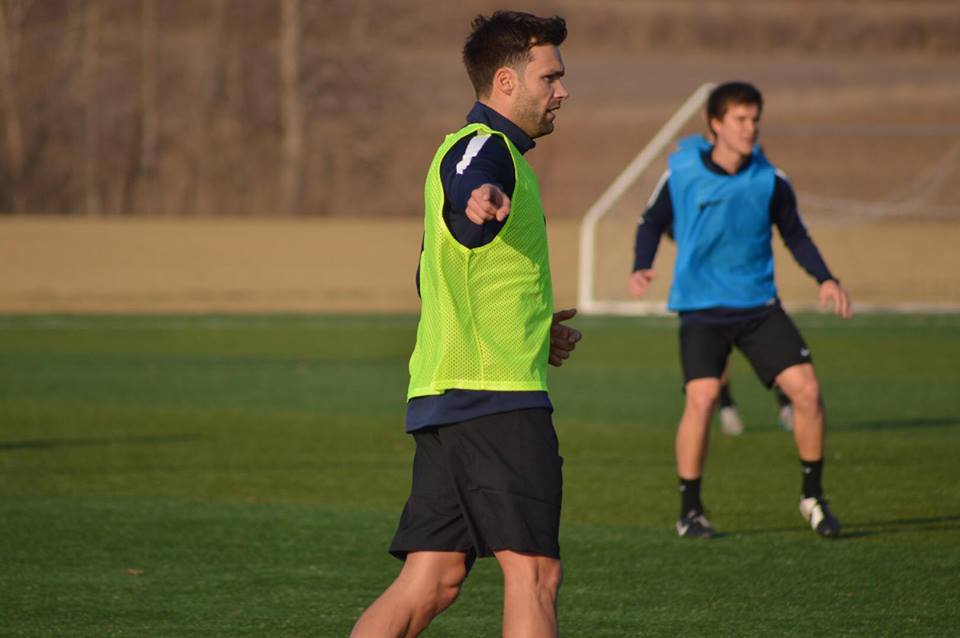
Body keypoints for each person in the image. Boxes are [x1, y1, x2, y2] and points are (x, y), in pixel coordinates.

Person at [351, 11, 580, 638]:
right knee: (534, 576)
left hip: (446, 396)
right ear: (505, 83)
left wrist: (534, 327)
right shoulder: (485, 148)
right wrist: (478, 200)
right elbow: (468, 188)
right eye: (550, 77)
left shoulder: (488, 152)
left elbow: (434, 277)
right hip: (495, 401)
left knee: (432, 581)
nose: (561, 91)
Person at [629, 81, 852, 539]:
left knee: (807, 392)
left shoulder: (771, 180)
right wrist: (641, 266)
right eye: (740, 120)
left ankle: (813, 497)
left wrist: (826, 278)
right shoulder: (682, 172)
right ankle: (690, 511)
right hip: (701, 309)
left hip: (758, 306)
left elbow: (796, 235)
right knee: (703, 398)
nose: (750, 128)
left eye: (755, 120)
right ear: (716, 124)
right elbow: (651, 222)